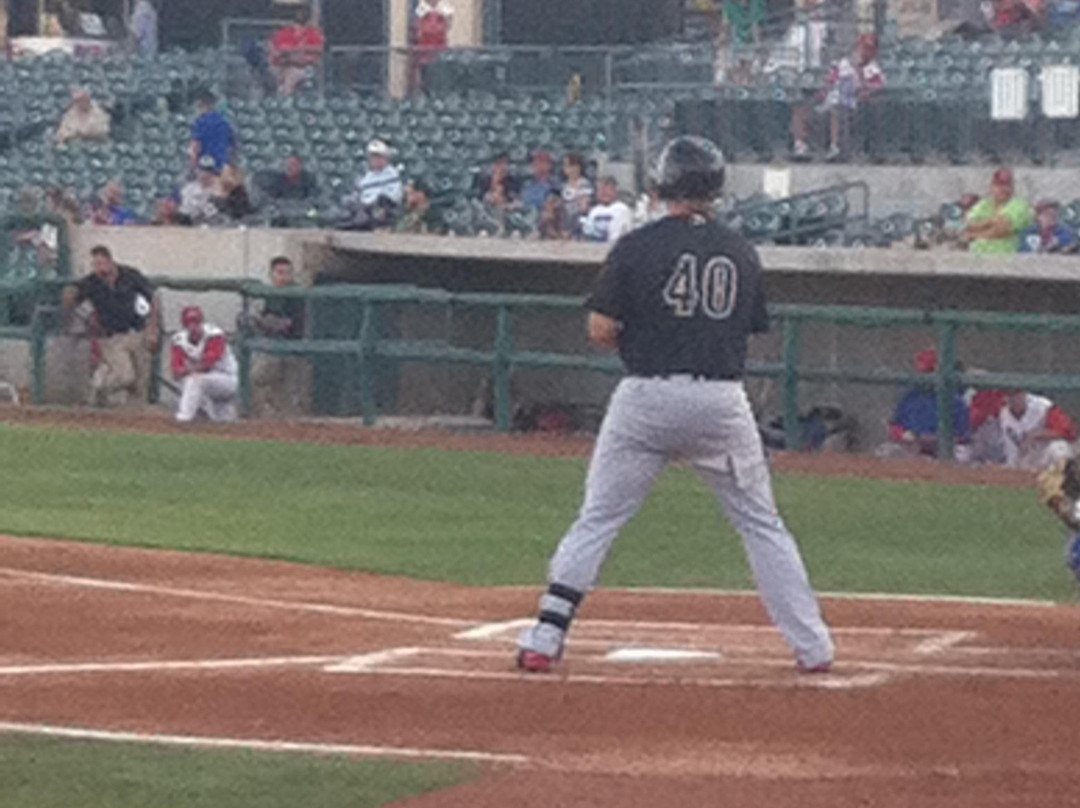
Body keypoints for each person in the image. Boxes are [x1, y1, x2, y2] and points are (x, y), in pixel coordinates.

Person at [515, 136, 835, 675]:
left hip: (646, 397)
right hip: (720, 400)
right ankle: (814, 646)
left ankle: (546, 634)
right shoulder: (740, 250)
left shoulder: (638, 246)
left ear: (663, 183)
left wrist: (652, 337)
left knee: (598, 517)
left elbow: (600, 329)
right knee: (761, 524)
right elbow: (748, 328)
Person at [62, 246, 160, 407]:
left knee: (140, 385)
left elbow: (153, 298)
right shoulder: (92, 282)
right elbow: (72, 295)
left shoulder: (130, 275)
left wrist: (153, 329)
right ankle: (97, 389)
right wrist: (70, 311)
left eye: (101, 264)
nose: (99, 269)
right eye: (95, 265)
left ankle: (133, 420)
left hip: (137, 332)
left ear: (110, 261)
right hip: (111, 336)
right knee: (125, 375)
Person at [792, 34, 885, 162]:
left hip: (851, 105)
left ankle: (835, 148)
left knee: (835, 111)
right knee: (801, 110)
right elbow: (830, 82)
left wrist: (858, 70)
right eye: (862, 48)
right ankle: (800, 146)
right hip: (830, 100)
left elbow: (875, 88)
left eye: (868, 48)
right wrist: (820, 96)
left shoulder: (873, 69)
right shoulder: (843, 64)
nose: (863, 52)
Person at [880, 349, 971, 460]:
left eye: (927, 373)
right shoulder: (910, 397)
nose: (923, 377)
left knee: (962, 456)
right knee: (886, 451)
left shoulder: (954, 400)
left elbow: (962, 437)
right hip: (912, 448)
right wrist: (904, 435)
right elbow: (895, 427)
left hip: (945, 448)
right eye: (921, 373)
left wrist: (933, 440)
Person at [247, 257, 309, 416]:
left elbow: (287, 324)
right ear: (272, 274)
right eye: (279, 273)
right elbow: (256, 320)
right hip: (271, 348)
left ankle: (288, 430)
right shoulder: (268, 292)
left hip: (293, 350)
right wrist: (260, 321)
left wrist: (266, 322)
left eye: (287, 273)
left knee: (288, 398)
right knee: (255, 380)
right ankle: (262, 421)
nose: (284, 277)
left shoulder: (296, 292)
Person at [171, 306, 238, 423]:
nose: (193, 327)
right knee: (222, 422)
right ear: (184, 325)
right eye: (189, 323)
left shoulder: (215, 335)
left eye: (196, 322)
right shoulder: (178, 341)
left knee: (195, 380)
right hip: (206, 383)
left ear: (202, 322)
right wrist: (190, 369)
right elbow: (176, 372)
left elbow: (207, 365)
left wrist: (188, 368)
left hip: (227, 379)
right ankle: (200, 412)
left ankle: (184, 418)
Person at [998, 390, 1077, 470]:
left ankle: (1064, 479)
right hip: (1024, 460)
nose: (1013, 398)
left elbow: (1067, 433)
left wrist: (1038, 435)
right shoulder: (1002, 412)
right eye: (1009, 394)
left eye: (1016, 393)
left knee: (1060, 448)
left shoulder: (1043, 406)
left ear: (1024, 393)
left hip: (1044, 455)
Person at [963, 168, 1035, 255]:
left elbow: (1001, 229)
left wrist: (976, 235)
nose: (1003, 189)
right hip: (977, 259)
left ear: (1012, 187)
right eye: (999, 185)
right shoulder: (984, 205)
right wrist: (992, 222)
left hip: (1006, 260)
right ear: (992, 187)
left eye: (1007, 185)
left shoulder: (1020, 205)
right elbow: (968, 224)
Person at [342, 140, 403, 231]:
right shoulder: (368, 177)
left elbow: (394, 196)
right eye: (373, 157)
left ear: (385, 158)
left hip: (381, 210)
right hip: (365, 209)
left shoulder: (392, 174)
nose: (375, 160)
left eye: (378, 156)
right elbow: (361, 195)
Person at [269, 8, 326, 96]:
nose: (299, 28)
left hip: (305, 68)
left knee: (291, 76)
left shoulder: (313, 33)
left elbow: (319, 49)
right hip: (281, 66)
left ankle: (284, 100)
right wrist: (297, 50)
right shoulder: (285, 32)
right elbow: (278, 50)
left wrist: (300, 50)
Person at [189, 90, 236, 173]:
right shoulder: (224, 122)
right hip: (223, 168)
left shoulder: (201, 122)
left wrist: (192, 167)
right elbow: (233, 147)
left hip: (206, 167)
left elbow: (196, 146)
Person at [583, 176, 634, 244]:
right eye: (600, 189)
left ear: (615, 190)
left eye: (607, 189)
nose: (604, 192)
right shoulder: (594, 211)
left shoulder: (622, 209)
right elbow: (588, 232)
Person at [179, 156, 223, 224]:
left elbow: (219, 213)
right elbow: (184, 212)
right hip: (191, 224)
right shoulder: (189, 189)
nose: (206, 173)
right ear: (198, 171)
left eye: (209, 170)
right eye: (203, 170)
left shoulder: (219, 190)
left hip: (212, 225)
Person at [560, 153, 593, 238]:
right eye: (567, 166)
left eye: (573, 166)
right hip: (565, 219)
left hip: (578, 221)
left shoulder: (584, 184)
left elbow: (584, 207)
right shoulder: (564, 186)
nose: (571, 169)